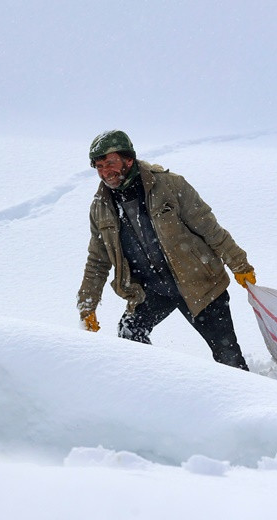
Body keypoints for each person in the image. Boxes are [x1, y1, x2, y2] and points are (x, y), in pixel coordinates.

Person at [77, 130, 255, 370]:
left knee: (227, 355)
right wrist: (87, 305)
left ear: (128, 160)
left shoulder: (169, 185)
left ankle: (248, 395)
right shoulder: (101, 207)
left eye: (110, 162)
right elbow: (97, 260)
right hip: (153, 290)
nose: (104, 171)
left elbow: (209, 228)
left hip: (199, 284)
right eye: (98, 166)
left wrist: (239, 265)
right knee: (130, 333)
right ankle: (157, 388)